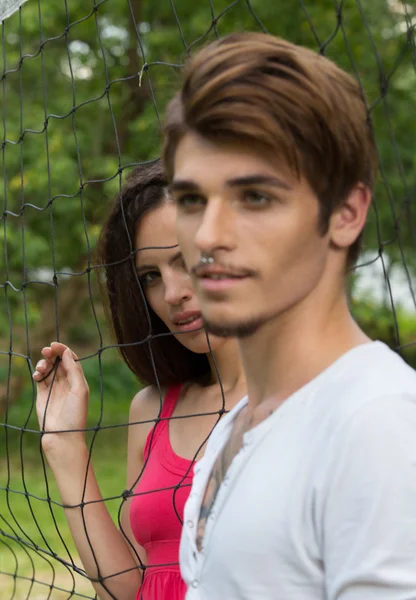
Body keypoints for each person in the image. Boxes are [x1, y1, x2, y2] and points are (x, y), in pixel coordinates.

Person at [162, 32, 416, 599]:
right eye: (191, 200)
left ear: (346, 214)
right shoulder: (245, 419)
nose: (207, 236)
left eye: (255, 197)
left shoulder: (378, 426)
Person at [33, 160, 246, 600]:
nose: (172, 293)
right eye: (151, 276)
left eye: (185, 260)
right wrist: (64, 445)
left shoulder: (305, 398)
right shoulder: (151, 409)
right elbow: (131, 588)